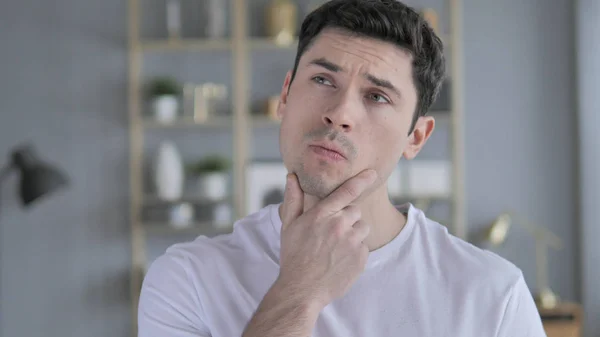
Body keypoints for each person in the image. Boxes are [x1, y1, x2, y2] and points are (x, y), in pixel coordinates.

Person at [137, 1, 547, 336]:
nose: (340, 113)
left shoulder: (493, 296)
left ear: (416, 138)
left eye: (378, 96)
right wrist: (299, 292)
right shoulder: (186, 279)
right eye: (322, 80)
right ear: (285, 95)